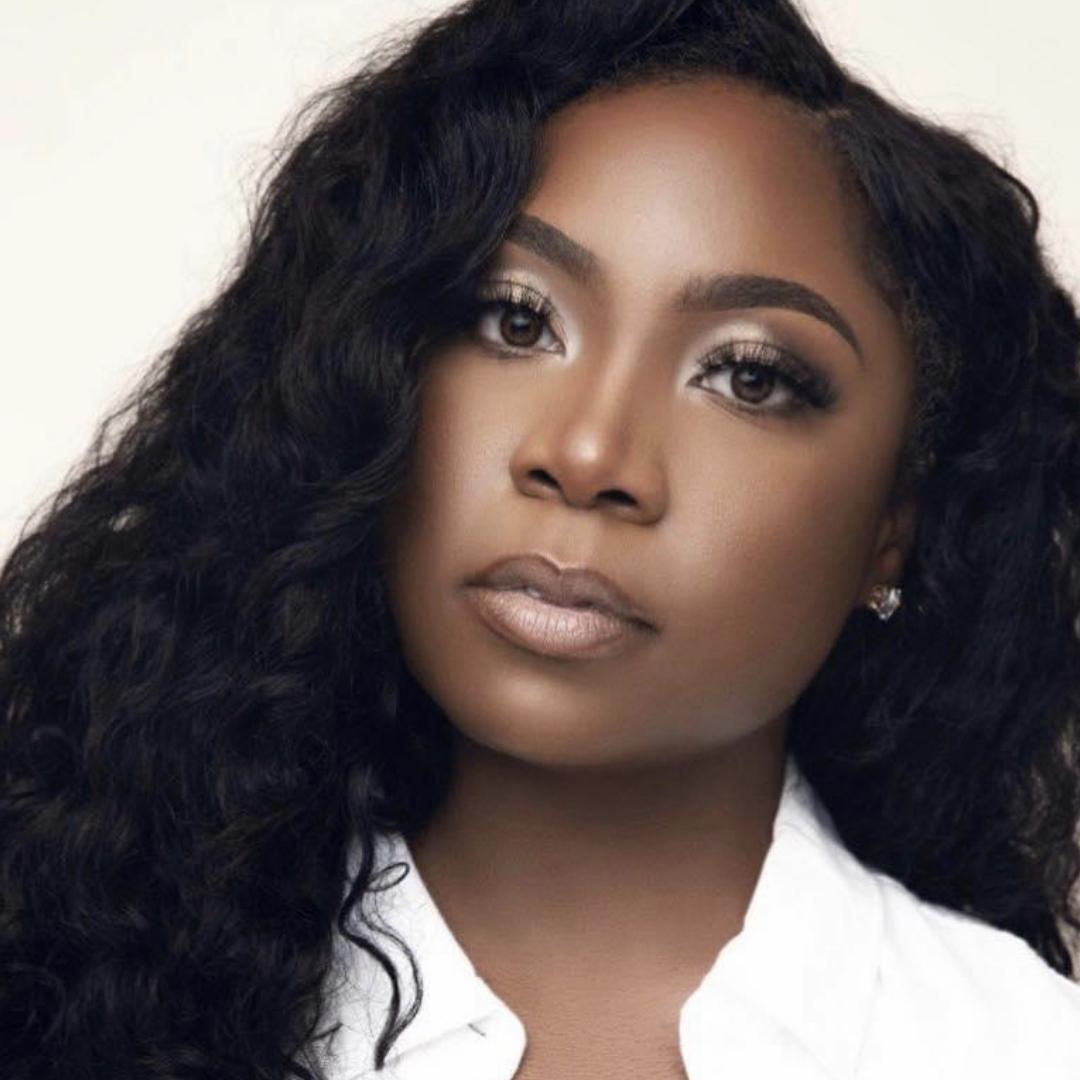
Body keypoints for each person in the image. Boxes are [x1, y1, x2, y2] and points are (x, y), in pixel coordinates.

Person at [2, 0, 1079, 1077]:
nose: (588, 454)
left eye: (750, 377)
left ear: (893, 530)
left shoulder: (1023, 1048)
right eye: (514, 320)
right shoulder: (65, 972)